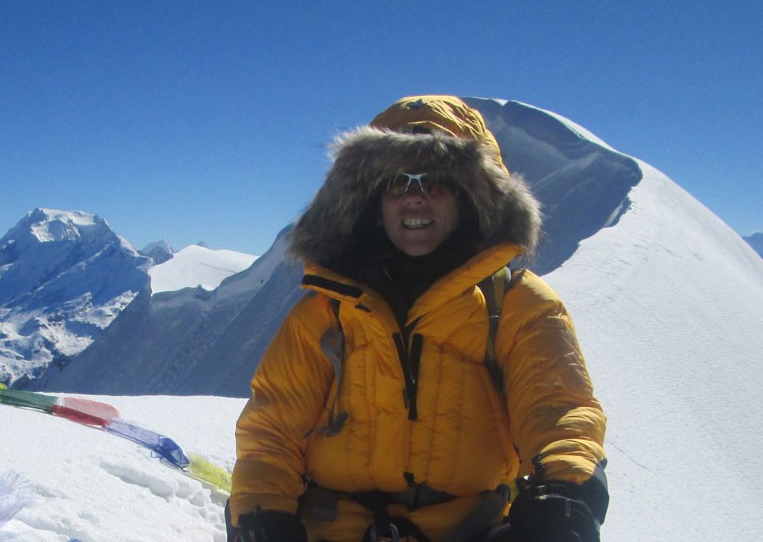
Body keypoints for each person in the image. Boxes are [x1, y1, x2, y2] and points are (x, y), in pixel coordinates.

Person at [228, 96, 608, 542]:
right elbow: (271, 433)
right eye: (396, 181)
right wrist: (261, 516)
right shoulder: (326, 311)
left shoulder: (518, 307)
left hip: (468, 531)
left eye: (437, 181)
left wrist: (563, 497)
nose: (414, 196)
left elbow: (559, 412)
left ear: (471, 196)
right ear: (372, 198)